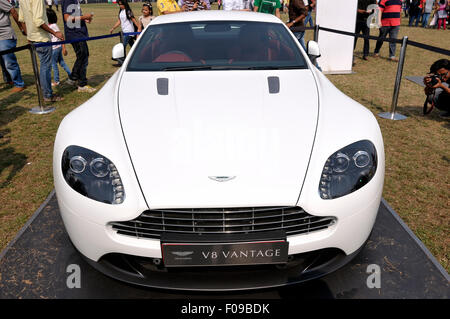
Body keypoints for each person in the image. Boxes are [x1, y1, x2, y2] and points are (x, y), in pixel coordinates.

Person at [19, 0, 64, 102]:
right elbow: (39, 21)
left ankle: (46, 93)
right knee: (45, 68)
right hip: (42, 38)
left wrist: (29, 35)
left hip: (33, 39)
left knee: (43, 67)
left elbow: (21, 19)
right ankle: (47, 95)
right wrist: (54, 33)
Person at [61, 0, 96, 93]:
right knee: (82, 56)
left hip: (79, 33)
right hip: (75, 34)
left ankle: (78, 81)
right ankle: (76, 80)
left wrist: (84, 19)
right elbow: (67, 18)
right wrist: (84, 16)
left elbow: (74, 16)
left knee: (84, 56)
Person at [0, 0, 25, 92]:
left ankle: (19, 83)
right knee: (2, 61)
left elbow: (13, 11)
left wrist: (21, 27)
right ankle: (9, 80)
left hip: (4, 35)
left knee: (9, 61)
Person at [109, 0, 141, 65]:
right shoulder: (121, 11)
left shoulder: (128, 11)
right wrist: (113, 28)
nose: (120, 6)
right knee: (133, 46)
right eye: (119, 4)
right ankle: (139, 57)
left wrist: (139, 28)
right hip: (124, 31)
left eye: (121, 4)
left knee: (122, 46)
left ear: (124, 4)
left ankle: (121, 61)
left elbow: (133, 20)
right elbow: (119, 21)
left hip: (129, 31)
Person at [46, 8, 70, 87]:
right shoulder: (50, 25)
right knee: (62, 63)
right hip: (57, 48)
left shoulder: (53, 26)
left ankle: (57, 81)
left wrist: (64, 48)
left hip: (55, 48)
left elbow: (61, 36)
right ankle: (72, 75)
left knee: (54, 65)